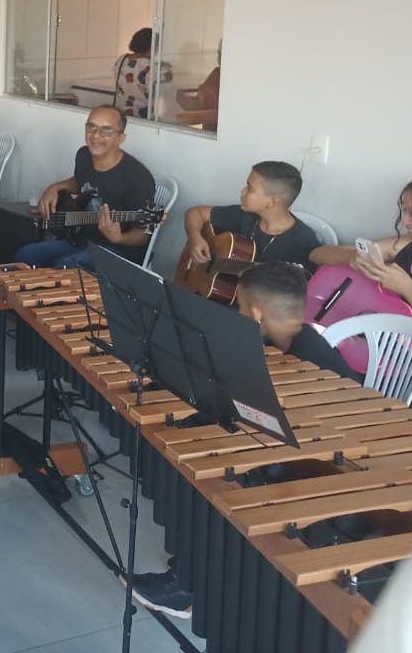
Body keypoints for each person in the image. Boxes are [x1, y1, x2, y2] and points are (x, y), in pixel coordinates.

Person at [130, 261, 356, 620]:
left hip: (328, 470)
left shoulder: (311, 357)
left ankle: (189, 587)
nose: (236, 313)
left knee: (217, 468)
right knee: (196, 431)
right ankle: (196, 560)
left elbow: (324, 426)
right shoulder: (282, 338)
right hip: (299, 447)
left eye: (239, 306)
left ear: (256, 313)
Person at [310, 172, 412, 338]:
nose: (405, 221)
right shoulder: (405, 245)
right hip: (372, 339)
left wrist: (409, 290)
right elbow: (317, 255)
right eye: (404, 211)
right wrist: (353, 257)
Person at [17, 106, 156, 269]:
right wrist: (55, 187)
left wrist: (118, 238)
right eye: (91, 127)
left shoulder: (137, 178)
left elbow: (143, 235)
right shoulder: (84, 155)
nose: (96, 135)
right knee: (25, 256)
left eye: (107, 130)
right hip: (81, 240)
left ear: (121, 138)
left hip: (120, 251)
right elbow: (80, 182)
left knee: (65, 266)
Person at [182, 161, 319, 271]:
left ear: (272, 202)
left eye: (250, 189)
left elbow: (302, 288)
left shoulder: (303, 241)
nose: (242, 191)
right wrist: (195, 238)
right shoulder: (245, 215)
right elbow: (195, 213)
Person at [112, 28, 172, 120]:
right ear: (152, 47)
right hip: (141, 118)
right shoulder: (150, 66)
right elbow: (165, 87)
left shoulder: (122, 58)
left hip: (120, 114)